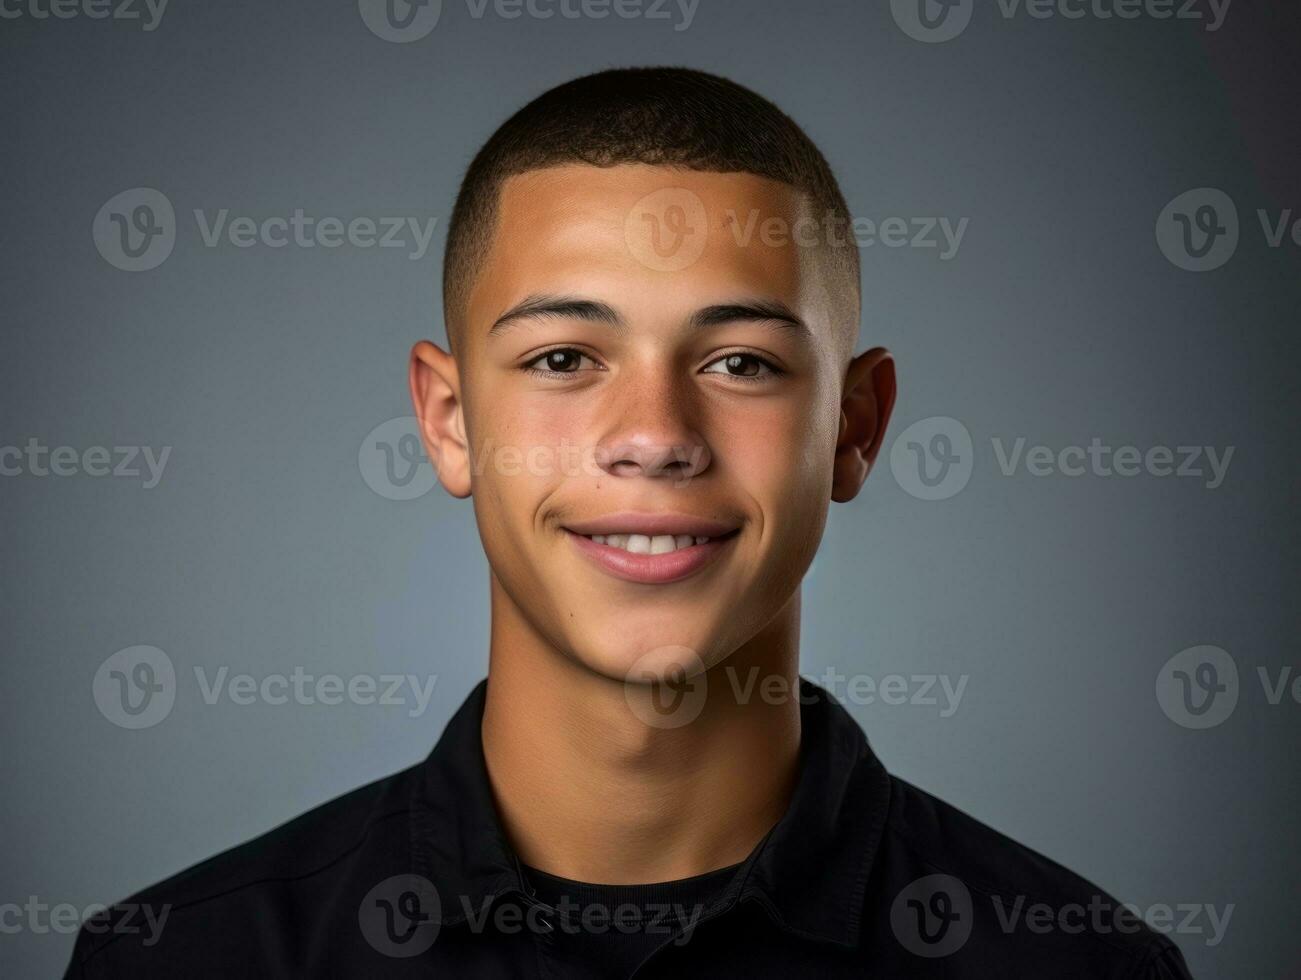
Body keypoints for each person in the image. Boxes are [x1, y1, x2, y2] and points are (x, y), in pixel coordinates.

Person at [64, 66, 1193, 979]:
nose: (653, 433)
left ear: (853, 425)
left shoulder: (1080, 964)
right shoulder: (186, 958)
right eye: (562, 357)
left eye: (740, 362)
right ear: (449, 420)